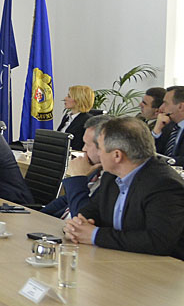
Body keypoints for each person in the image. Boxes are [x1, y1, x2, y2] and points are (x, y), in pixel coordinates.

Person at [64, 117, 184, 259]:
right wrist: (77, 226)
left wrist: (95, 235)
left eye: (100, 148)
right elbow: (91, 211)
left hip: (159, 267)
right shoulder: (112, 176)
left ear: (117, 155)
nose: (98, 154)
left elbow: (158, 241)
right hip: (116, 259)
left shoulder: (164, 185)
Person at [43, 114, 112, 219]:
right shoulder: (95, 170)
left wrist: (77, 177)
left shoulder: (113, 182)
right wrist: (38, 216)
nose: (83, 149)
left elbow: (82, 218)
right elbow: (65, 200)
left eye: (87, 144)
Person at [56, 85, 95, 151]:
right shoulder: (67, 117)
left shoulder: (88, 120)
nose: (65, 98)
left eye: (69, 96)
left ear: (79, 100)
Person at [153, 85, 184, 162]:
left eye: (165, 103)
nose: (161, 108)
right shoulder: (166, 125)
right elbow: (146, 153)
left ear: (181, 107)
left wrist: (166, 161)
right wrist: (156, 131)